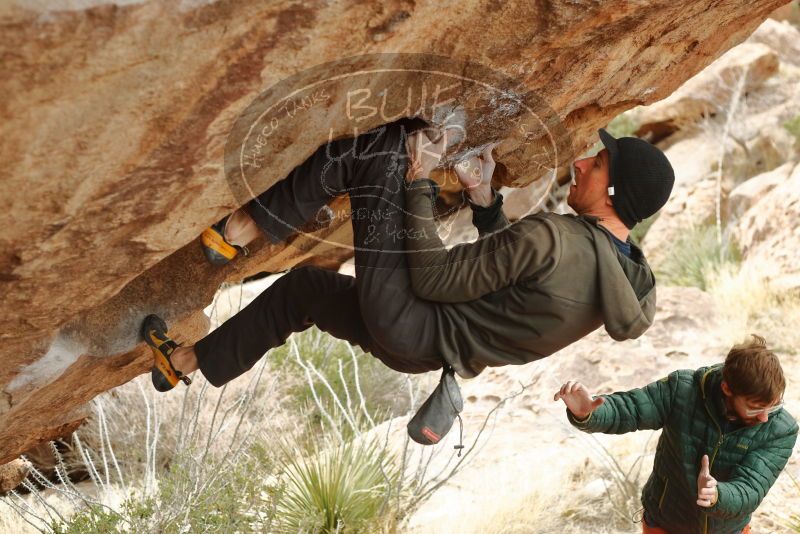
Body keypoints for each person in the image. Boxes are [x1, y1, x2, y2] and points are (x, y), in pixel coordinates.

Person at [142, 115, 675, 392]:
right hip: (422, 352)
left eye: (599, 163)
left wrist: (419, 179)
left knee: (379, 152)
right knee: (306, 289)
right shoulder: (623, 277)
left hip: (410, 312)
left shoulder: (557, 236)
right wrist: (484, 202)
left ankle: (238, 228)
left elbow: (437, 278)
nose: (581, 163)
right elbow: (514, 280)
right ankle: (183, 362)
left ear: (612, 193)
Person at [554, 335, 798, 534]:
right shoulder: (683, 389)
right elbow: (631, 409)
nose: (765, 417)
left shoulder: (781, 429)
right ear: (727, 388)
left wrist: (717, 495)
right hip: (664, 524)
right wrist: (589, 414)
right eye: (756, 407)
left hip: (727, 530)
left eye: (774, 406)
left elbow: (750, 489)